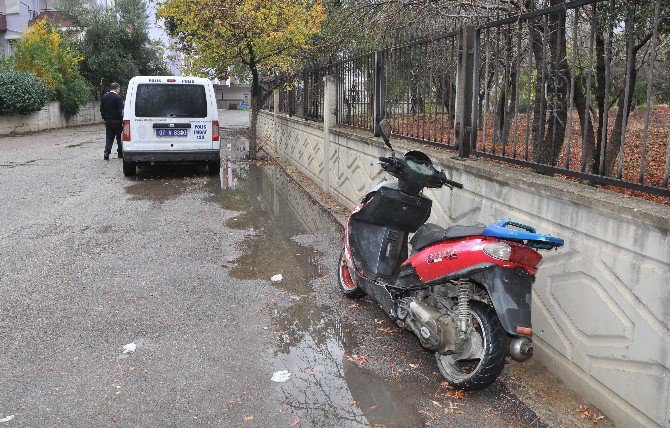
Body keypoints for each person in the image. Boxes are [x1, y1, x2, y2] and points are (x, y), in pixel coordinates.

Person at [100, 82, 124, 160]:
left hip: (108, 121)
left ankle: (106, 152)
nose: (119, 90)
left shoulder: (104, 97)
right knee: (119, 137)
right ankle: (120, 153)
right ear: (117, 88)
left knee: (109, 137)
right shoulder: (118, 98)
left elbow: (102, 109)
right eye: (119, 89)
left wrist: (105, 118)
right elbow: (121, 111)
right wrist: (122, 119)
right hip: (117, 121)